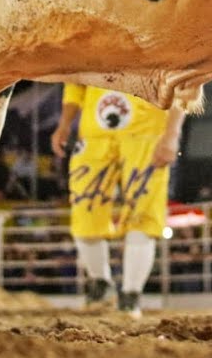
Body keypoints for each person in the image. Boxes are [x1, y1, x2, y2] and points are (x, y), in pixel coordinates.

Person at [50, 83, 185, 318]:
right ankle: (101, 285)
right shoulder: (86, 44)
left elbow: (184, 82)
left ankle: (130, 296)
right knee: (84, 213)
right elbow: (75, 78)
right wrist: (65, 123)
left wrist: (172, 134)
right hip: (94, 132)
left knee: (143, 215)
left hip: (147, 131)